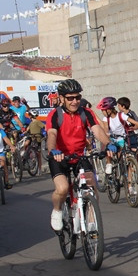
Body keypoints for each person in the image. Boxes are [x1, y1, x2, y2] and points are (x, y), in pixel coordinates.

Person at [46, 79, 115, 232]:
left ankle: (91, 221)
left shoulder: (86, 112)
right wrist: (53, 150)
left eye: (77, 97)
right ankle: (57, 211)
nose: (75, 101)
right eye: (70, 98)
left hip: (79, 156)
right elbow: (51, 133)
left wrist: (108, 143)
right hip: (59, 157)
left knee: (91, 187)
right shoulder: (55, 115)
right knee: (63, 189)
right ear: (62, 98)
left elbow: (97, 130)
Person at [96, 96, 138, 174]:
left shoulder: (121, 115)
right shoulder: (105, 119)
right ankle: (109, 164)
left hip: (122, 139)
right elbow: (106, 129)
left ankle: (126, 175)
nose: (102, 112)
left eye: (103, 110)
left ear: (109, 110)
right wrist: (107, 136)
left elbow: (136, 122)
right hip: (112, 138)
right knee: (109, 150)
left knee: (123, 157)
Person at [26, 109, 46, 175]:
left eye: (29, 115)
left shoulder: (37, 122)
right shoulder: (31, 123)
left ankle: (39, 169)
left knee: (38, 153)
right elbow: (27, 130)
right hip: (32, 138)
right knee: (33, 150)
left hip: (37, 138)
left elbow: (44, 126)